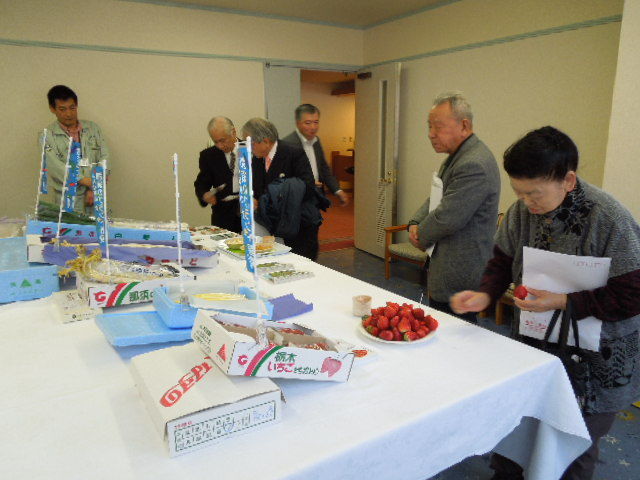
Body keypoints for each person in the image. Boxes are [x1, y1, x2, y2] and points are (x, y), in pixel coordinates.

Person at [450, 126, 640, 480]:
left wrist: (565, 301)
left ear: (568, 180)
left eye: (534, 193)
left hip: (598, 360)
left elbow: (632, 295)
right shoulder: (522, 212)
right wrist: (486, 294)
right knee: (519, 425)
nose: (526, 203)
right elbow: (502, 261)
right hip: (537, 343)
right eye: (519, 193)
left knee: (571, 444)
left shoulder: (609, 219)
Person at [408, 92, 500, 322]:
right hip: (446, 263)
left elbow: (447, 217)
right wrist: (415, 222)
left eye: (438, 126)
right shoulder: (456, 156)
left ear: (464, 125)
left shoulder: (474, 163)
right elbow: (437, 195)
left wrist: (421, 235)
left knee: (454, 333)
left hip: (460, 270)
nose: (431, 134)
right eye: (429, 126)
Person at [241, 117, 320, 260]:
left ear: (265, 141)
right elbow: (257, 187)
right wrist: (253, 197)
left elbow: (308, 187)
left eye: (250, 144)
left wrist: (275, 197)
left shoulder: (293, 153)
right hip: (274, 226)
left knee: (302, 265)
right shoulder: (257, 159)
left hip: (298, 224)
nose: (248, 149)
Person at [43, 85, 109, 214]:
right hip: (66, 198)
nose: (68, 114)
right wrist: (84, 180)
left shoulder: (93, 129)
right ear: (52, 109)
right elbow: (56, 167)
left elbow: (105, 157)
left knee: (96, 226)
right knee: (68, 226)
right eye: (62, 109)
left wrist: (94, 188)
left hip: (95, 195)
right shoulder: (47, 136)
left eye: (72, 108)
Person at [282, 104, 349, 206]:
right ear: (298, 123)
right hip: (296, 200)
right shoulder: (287, 144)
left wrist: (337, 190)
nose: (313, 127)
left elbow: (324, 168)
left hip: (316, 197)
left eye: (316, 122)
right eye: (308, 123)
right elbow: (283, 177)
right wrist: (307, 183)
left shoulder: (316, 141)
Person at [194, 117, 242, 233]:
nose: (220, 146)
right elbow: (201, 183)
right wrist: (204, 194)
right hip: (223, 215)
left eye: (223, 140)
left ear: (233, 132)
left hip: (249, 212)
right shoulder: (208, 156)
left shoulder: (250, 149)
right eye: (216, 142)